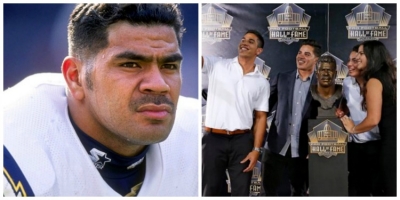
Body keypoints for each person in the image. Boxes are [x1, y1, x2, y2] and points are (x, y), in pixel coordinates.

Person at [3, 4, 198, 196]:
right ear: (75, 77)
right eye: (130, 64)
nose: (158, 84)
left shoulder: (201, 136)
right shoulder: (15, 140)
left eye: (170, 66)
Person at [202, 30, 270, 196]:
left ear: (258, 51)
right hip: (213, 140)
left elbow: (261, 118)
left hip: (242, 142)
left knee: (241, 191)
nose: (244, 43)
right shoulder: (217, 65)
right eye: (243, 39)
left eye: (251, 41)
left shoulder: (261, 82)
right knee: (210, 190)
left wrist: (256, 150)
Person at [262, 39, 321, 196]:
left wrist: (314, 146)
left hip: (303, 151)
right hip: (276, 147)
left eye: (307, 54)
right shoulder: (282, 78)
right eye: (299, 52)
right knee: (268, 193)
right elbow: (264, 109)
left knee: (299, 193)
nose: (301, 56)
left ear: (316, 60)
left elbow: (324, 120)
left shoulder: (322, 85)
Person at [340, 40, 396, 196]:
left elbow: (373, 120)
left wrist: (353, 129)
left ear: (373, 56)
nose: (357, 57)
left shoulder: (374, 81)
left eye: (361, 53)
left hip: (388, 144)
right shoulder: (390, 75)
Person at [336, 44, 382, 196]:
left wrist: (353, 128)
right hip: (355, 147)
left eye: (355, 60)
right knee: (356, 190)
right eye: (349, 60)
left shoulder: (378, 83)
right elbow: (347, 101)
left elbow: (374, 119)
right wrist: (343, 108)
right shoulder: (347, 83)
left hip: (378, 147)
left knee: (378, 189)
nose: (349, 64)